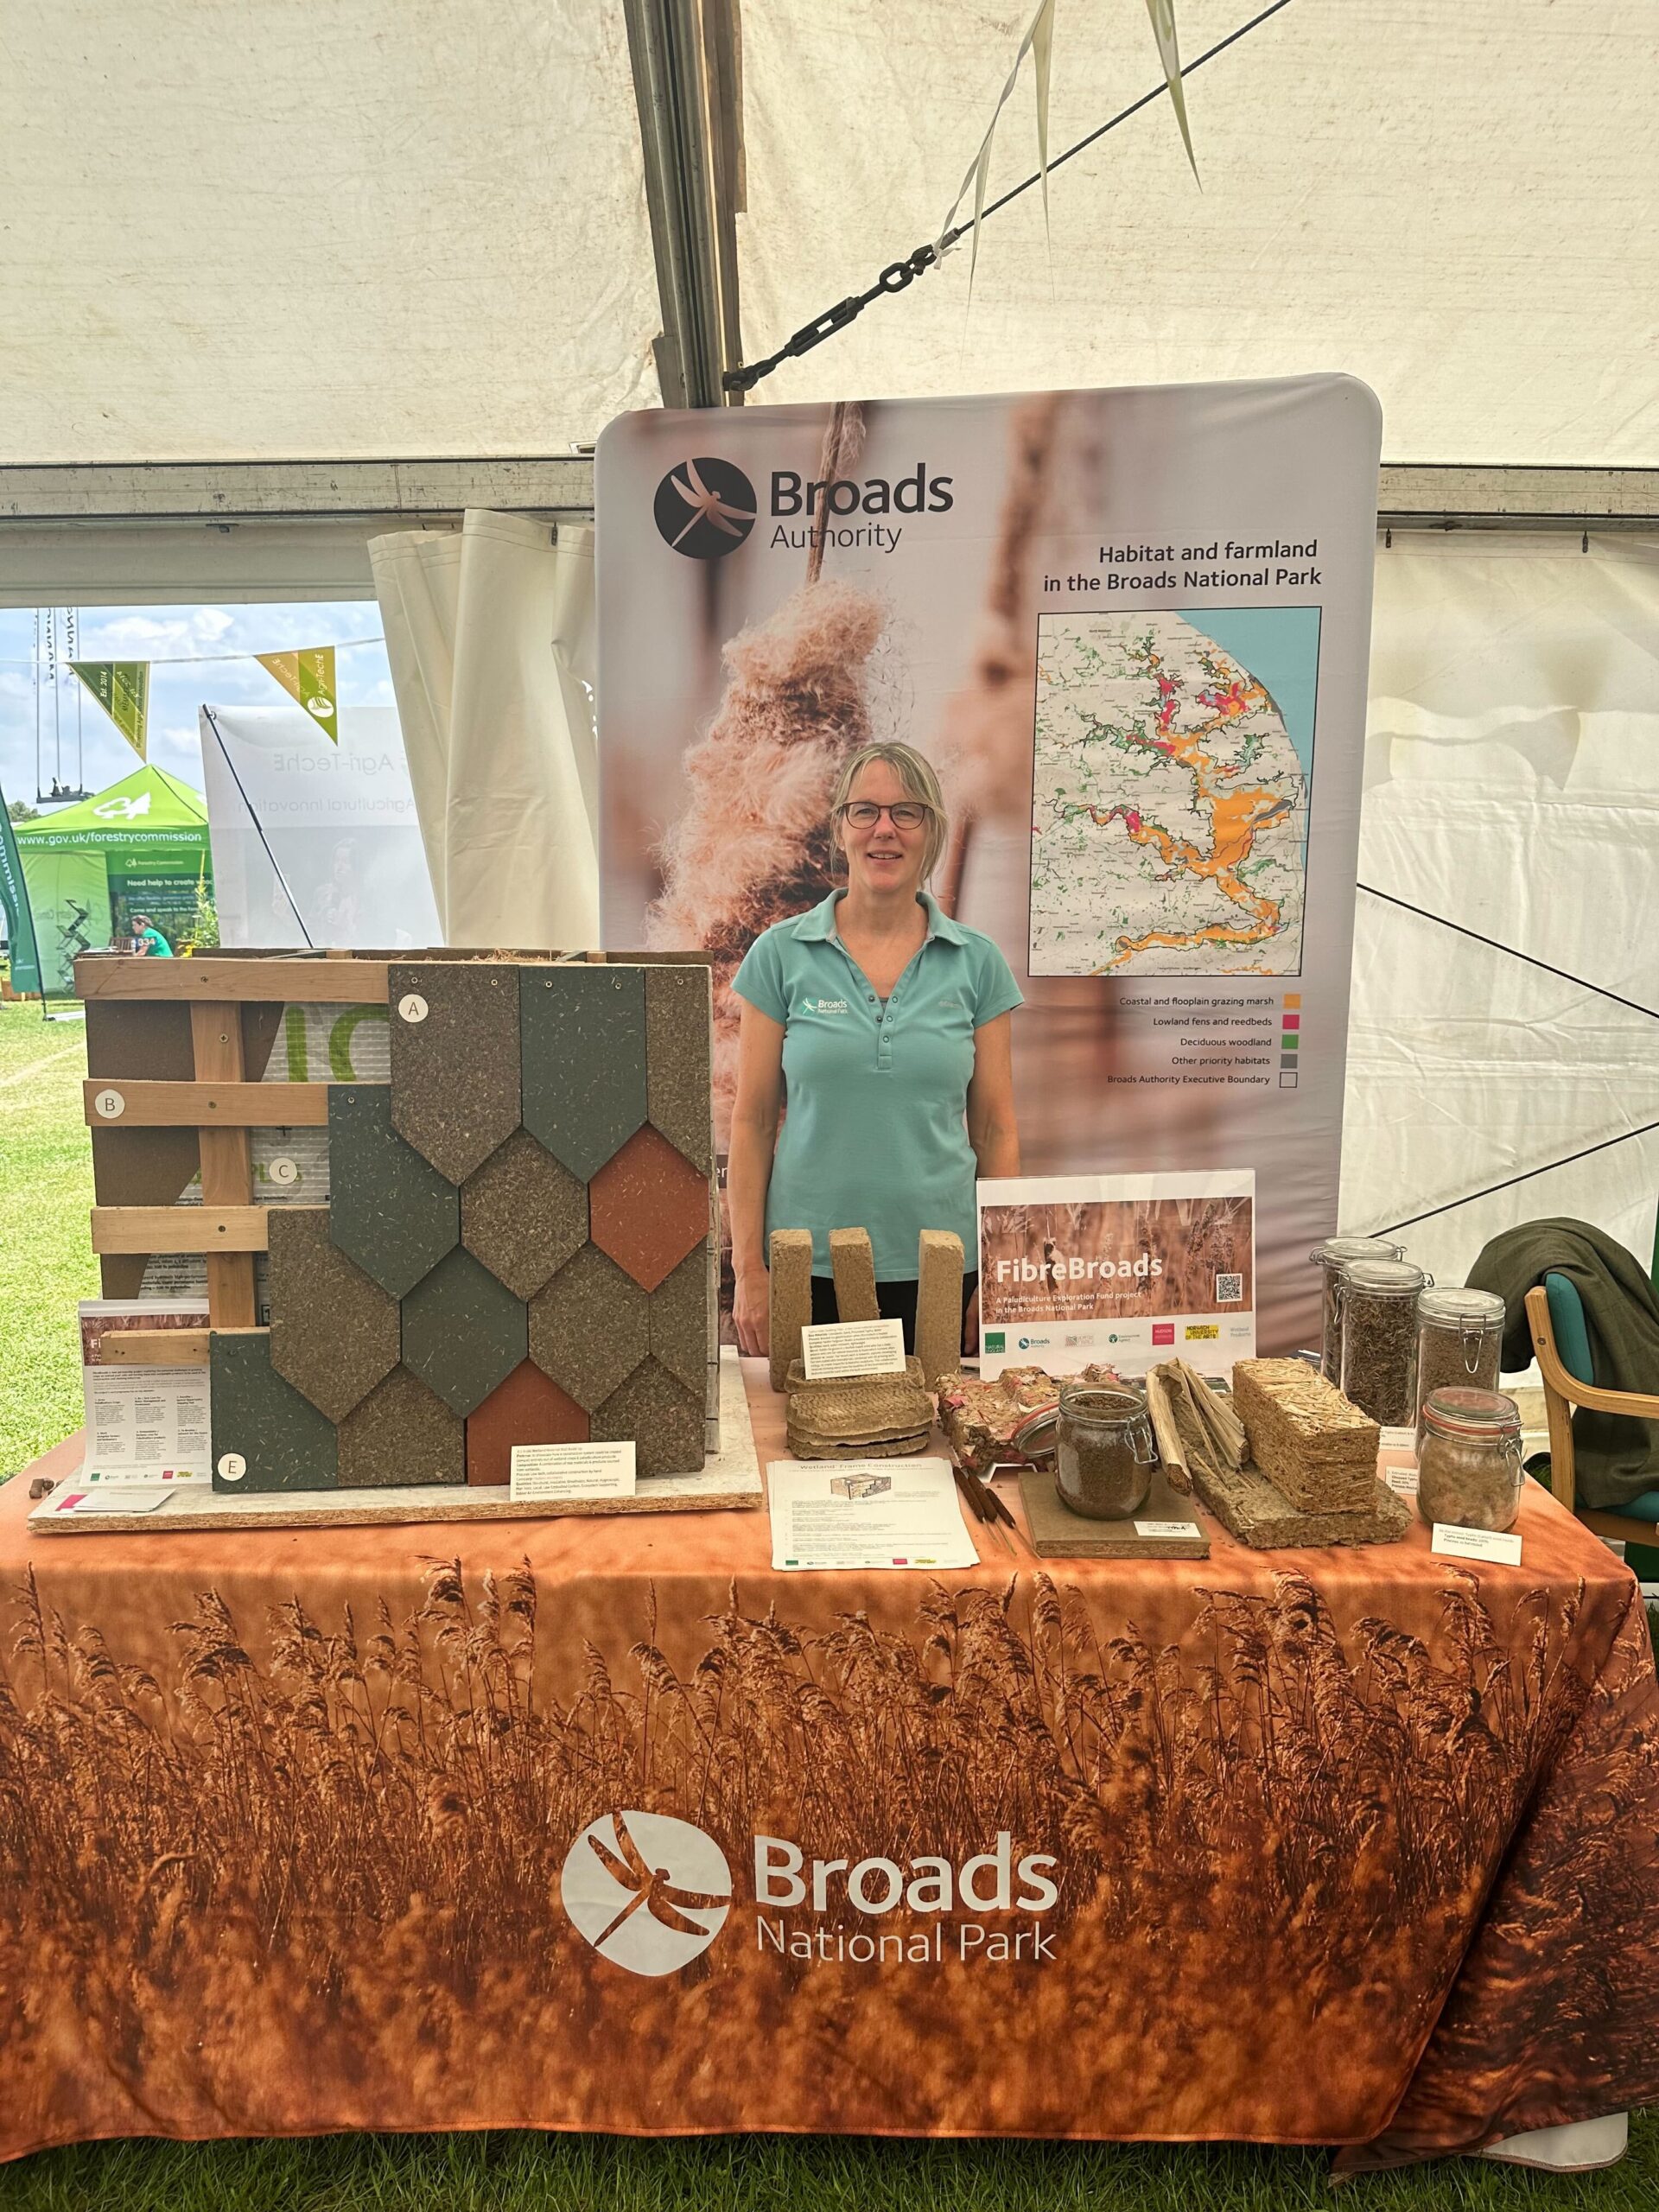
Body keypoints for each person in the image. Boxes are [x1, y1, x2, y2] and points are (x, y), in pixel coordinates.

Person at [728, 741, 1022, 1359]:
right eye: (865, 811)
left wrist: (998, 1273)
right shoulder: (780, 956)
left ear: (931, 830)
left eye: (906, 813)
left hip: (944, 1272)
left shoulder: (977, 963)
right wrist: (749, 1271)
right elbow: (752, 1124)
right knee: (808, 1446)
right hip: (805, 1272)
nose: (884, 830)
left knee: (941, 1449)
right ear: (840, 828)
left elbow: (995, 1131)